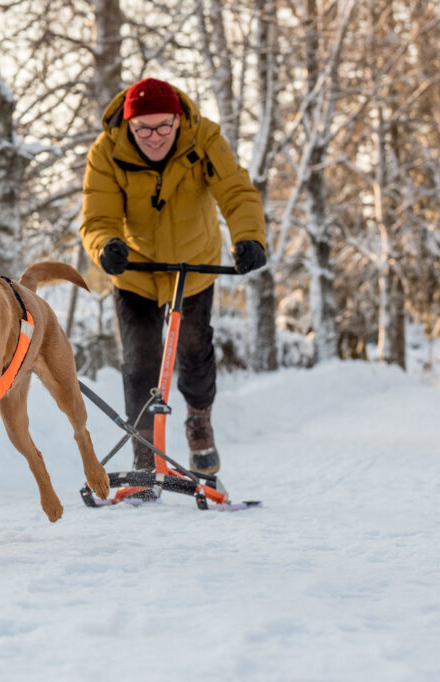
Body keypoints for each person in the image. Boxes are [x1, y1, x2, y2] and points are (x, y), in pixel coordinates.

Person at [79, 78, 267, 475]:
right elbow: (98, 217)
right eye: (143, 128)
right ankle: (144, 452)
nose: (154, 136)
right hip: (136, 268)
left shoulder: (204, 140)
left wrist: (248, 238)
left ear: (179, 120)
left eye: (164, 125)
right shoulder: (106, 152)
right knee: (140, 361)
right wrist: (106, 246)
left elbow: (235, 192)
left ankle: (199, 421)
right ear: (128, 126)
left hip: (193, 265)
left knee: (195, 350)